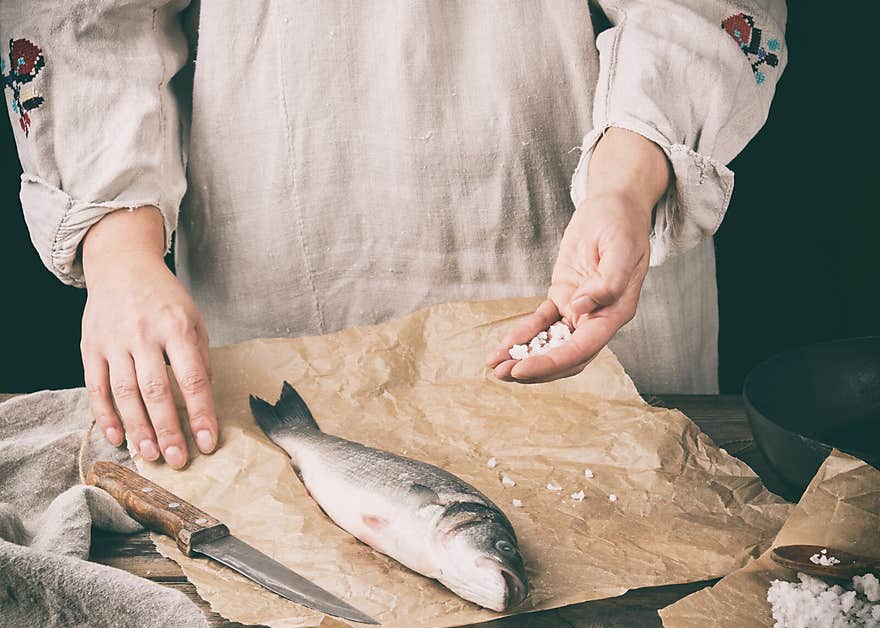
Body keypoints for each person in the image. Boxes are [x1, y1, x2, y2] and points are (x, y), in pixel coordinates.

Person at [1, 1, 786, 469]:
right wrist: (120, 249)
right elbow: (83, 20)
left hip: (585, 230)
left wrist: (621, 187)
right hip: (280, 256)